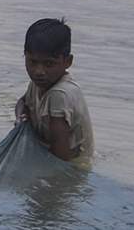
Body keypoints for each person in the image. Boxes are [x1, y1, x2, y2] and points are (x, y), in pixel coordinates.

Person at [13, 18, 92, 162]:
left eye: (49, 64)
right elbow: (22, 102)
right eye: (32, 62)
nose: (39, 71)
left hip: (74, 168)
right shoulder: (38, 83)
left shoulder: (59, 95)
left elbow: (60, 158)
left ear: (68, 62)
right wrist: (21, 116)